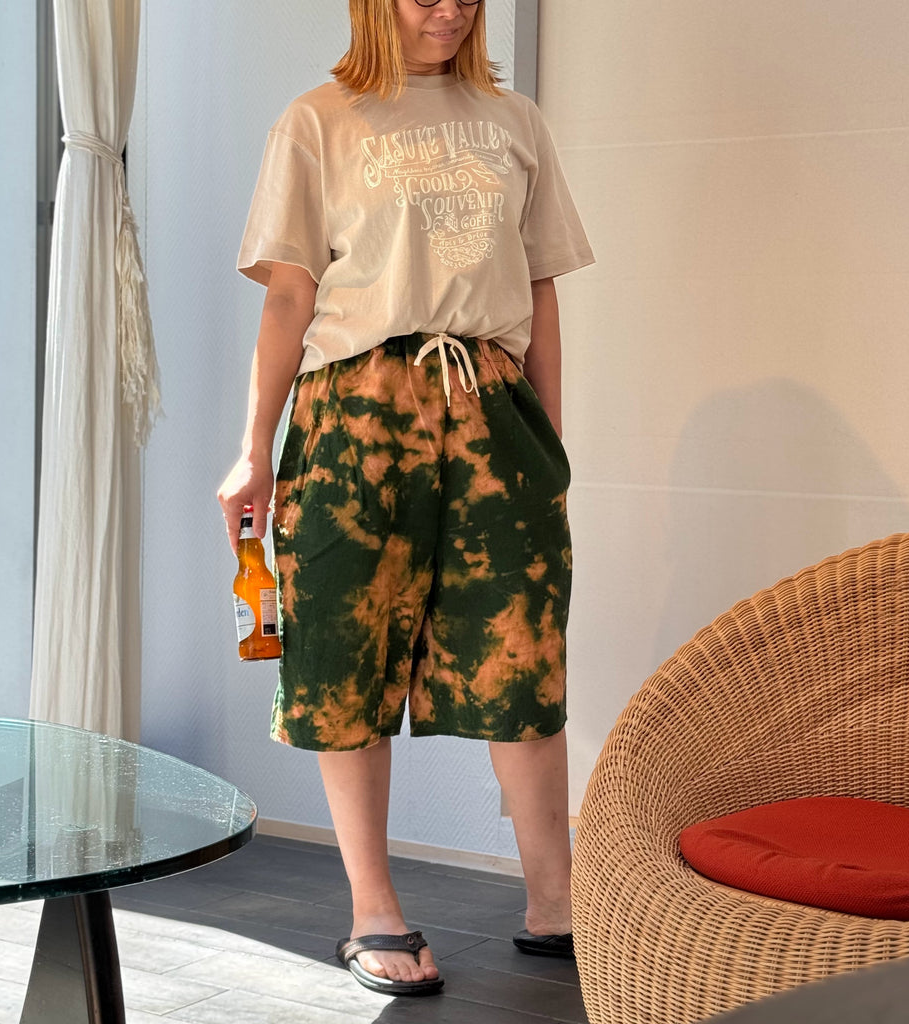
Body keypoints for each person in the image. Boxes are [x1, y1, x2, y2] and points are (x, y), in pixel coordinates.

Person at [217, 0, 593, 997]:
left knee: (523, 653)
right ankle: (373, 910)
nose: (450, 9)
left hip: (491, 405)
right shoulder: (317, 120)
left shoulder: (514, 122)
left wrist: (548, 444)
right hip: (355, 409)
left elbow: (540, 288)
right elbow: (289, 295)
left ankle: (555, 901)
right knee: (345, 652)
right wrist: (253, 451)